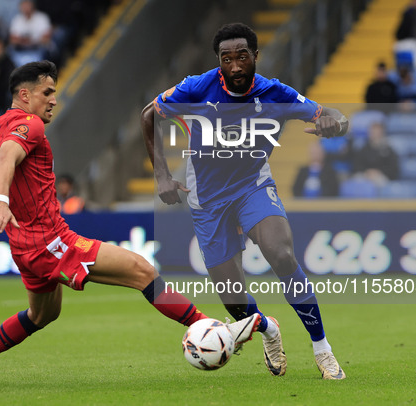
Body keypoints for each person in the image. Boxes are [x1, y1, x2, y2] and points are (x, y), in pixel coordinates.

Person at [0, 60, 259, 386]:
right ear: (25, 95)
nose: (54, 99)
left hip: (24, 247)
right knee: (142, 271)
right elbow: (8, 155)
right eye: (47, 92)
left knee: (42, 315)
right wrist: (0, 199)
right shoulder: (29, 125)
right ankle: (219, 332)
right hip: (49, 241)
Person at [141, 23, 348, 380]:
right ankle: (268, 330)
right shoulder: (195, 88)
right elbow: (149, 115)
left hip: (252, 186)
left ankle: (323, 349)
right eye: (227, 59)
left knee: (282, 255)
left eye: (242, 57)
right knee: (234, 301)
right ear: (218, 61)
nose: (235, 66)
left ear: (255, 56)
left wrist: (336, 124)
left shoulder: (275, 93)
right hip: (207, 199)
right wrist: (160, 175)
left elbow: (332, 115)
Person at [352, 122, 400, 186]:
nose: (374, 134)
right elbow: (357, 165)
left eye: (377, 132)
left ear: (382, 133)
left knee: (381, 183)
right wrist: (367, 172)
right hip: (365, 175)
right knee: (356, 181)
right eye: (372, 132)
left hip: (381, 176)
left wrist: (378, 172)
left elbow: (393, 168)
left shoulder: (388, 149)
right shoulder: (364, 149)